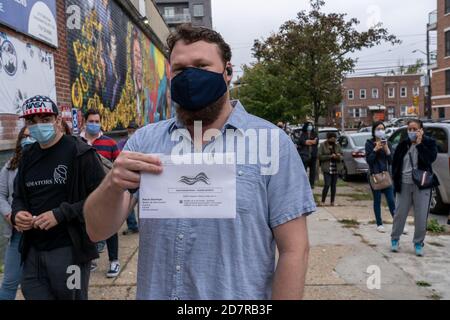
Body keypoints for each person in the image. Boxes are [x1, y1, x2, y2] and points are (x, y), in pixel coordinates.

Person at [84, 25, 315, 300]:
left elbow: (294, 250)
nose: (190, 77)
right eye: (180, 69)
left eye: (202, 66)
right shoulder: (144, 142)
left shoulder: (272, 144)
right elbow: (97, 230)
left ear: (227, 72)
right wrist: (112, 184)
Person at [11, 95, 104, 300]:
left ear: (57, 120)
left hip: (71, 250)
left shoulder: (81, 152)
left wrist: (60, 214)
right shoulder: (28, 155)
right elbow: (18, 196)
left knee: (74, 297)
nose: (38, 126)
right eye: (31, 122)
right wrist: (18, 213)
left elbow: (103, 199)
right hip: (33, 250)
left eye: (45, 119)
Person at [80, 109, 121, 277]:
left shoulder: (110, 143)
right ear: (84, 121)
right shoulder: (77, 142)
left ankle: (114, 261)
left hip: (106, 192)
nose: (94, 124)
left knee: (110, 226)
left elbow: (119, 166)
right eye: (91, 121)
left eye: (97, 121)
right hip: (84, 193)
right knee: (87, 227)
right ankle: (92, 259)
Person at [391, 119, 438, 257]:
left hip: (422, 185)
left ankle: (418, 243)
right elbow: (395, 164)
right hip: (404, 184)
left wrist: (419, 144)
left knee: (421, 215)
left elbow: (429, 159)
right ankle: (395, 239)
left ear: (421, 130)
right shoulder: (402, 145)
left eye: (414, 129)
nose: (411, 131)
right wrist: (396, 180)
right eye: (409, 129)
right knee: (400, 214)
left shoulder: (429, 143)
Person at [0, 127, 35, 300]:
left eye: (32, 136)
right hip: (18, 234)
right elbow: (1, 195)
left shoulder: (48, 164)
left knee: (38, 283)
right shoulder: (10, 166)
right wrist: (10, 216)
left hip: (45, 232)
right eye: (25, 136)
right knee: (9, 282)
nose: (28, 140)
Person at [365, 121, 396, 233]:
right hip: (374, 175)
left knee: (391, 200)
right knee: (377, 200)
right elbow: (369, 160)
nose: (380, 131)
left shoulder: (388, 143)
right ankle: (379, 223)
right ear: (374, 131)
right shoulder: (369, 143)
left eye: (382, 128)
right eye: (378, 129)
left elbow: (391, 160)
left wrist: (387, 149)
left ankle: (397, 223)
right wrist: (375, 149)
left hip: (385, 174)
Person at [117, 121, 139, 235]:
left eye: (133, 131)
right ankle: (132, 226)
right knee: (128, 203)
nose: (131, 133)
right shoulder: (121, 144)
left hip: (143, 177)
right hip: (129, 178)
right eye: (129, 131)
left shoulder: (143, 142)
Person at [318, 132, 343, 206]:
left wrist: (338, 156)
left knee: (333, 185)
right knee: (327, 184)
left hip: (336, 168)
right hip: (327, 168)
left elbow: (342, 155)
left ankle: (332, 202)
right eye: (331, 138)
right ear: (328, 138)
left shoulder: (337, 145)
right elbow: (319, 156)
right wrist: (330, 156)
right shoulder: (323, 145)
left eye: (334, 138)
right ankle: (323, 201)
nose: (333, 140)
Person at [296, 122, 319, 188]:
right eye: (309, 125)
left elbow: (316, 142)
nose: (310, 126)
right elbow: (303, 142)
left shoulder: (314, 134)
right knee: (304, 171)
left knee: (312, 171)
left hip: (313, 155)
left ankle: (311, 184)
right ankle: (303, 184)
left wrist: (308, 141)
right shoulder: (303, 134)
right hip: (304, 155)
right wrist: (311, 141)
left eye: (311, 125)